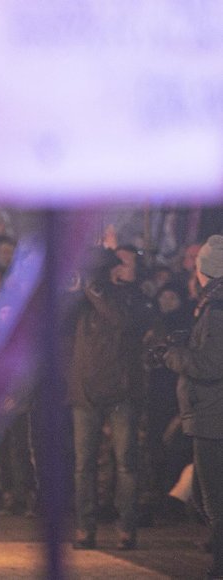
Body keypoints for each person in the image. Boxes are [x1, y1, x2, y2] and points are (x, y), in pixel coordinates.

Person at [68, 247, 151, 550]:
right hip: (85, 393)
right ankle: (84, 528)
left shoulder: (130, 297)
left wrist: (95, 291)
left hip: (121, 392)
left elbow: (122, 321)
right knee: (83, 465)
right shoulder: (80, 301)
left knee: (126, 462)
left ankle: (126, 527)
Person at [163, 234, 223, 579]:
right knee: (206, 494)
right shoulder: (211, 305)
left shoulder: (216, 308)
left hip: (213, 415)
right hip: (209, 413)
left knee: (210, 497)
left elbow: (210, 365)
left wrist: (172, 355)